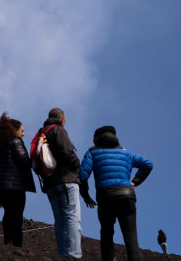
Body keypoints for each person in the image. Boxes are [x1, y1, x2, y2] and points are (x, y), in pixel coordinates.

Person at [79, 125, 153, 261]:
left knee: (107, 234)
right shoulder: (126, 152)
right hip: (127, 196)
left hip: (105, 197)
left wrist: (86, 196)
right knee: (131, 236)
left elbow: (82, 176)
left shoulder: (92, 152)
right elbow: (148, 164)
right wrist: (135, 182)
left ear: (97, 138)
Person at [36, 108, 85, 259]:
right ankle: (74, 255)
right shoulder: (58, 131)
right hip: (66, 181)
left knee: (60, 220)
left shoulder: (42, 133)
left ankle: (64, 254)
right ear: (62, 118)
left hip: (50, 183)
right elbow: (67, 152)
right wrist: (78, 165)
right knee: (72, 218)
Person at [0, 113, 36, 247]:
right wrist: (35, 161)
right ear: (15, 131)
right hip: (16, 188)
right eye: (22, 130)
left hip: (0, 189)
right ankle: (16, 246)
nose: (24, 134)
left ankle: (7, 244)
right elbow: (24, 161)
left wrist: (0, 180)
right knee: (16, 217)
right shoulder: (16, 142)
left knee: (7, 214)